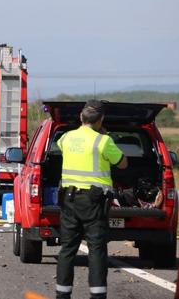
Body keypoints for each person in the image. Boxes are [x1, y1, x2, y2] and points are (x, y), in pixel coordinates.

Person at [55, 100, 128, 299]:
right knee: (96, 249)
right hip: (94, 202)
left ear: (81, 116)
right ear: (101, 119)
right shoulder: (103, 141)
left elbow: (62, 147)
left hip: (69, 199)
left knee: (68, 248)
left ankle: (62, 294)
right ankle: (97, 295)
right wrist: (104, 136)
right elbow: (122, 164)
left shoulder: (67, 137)